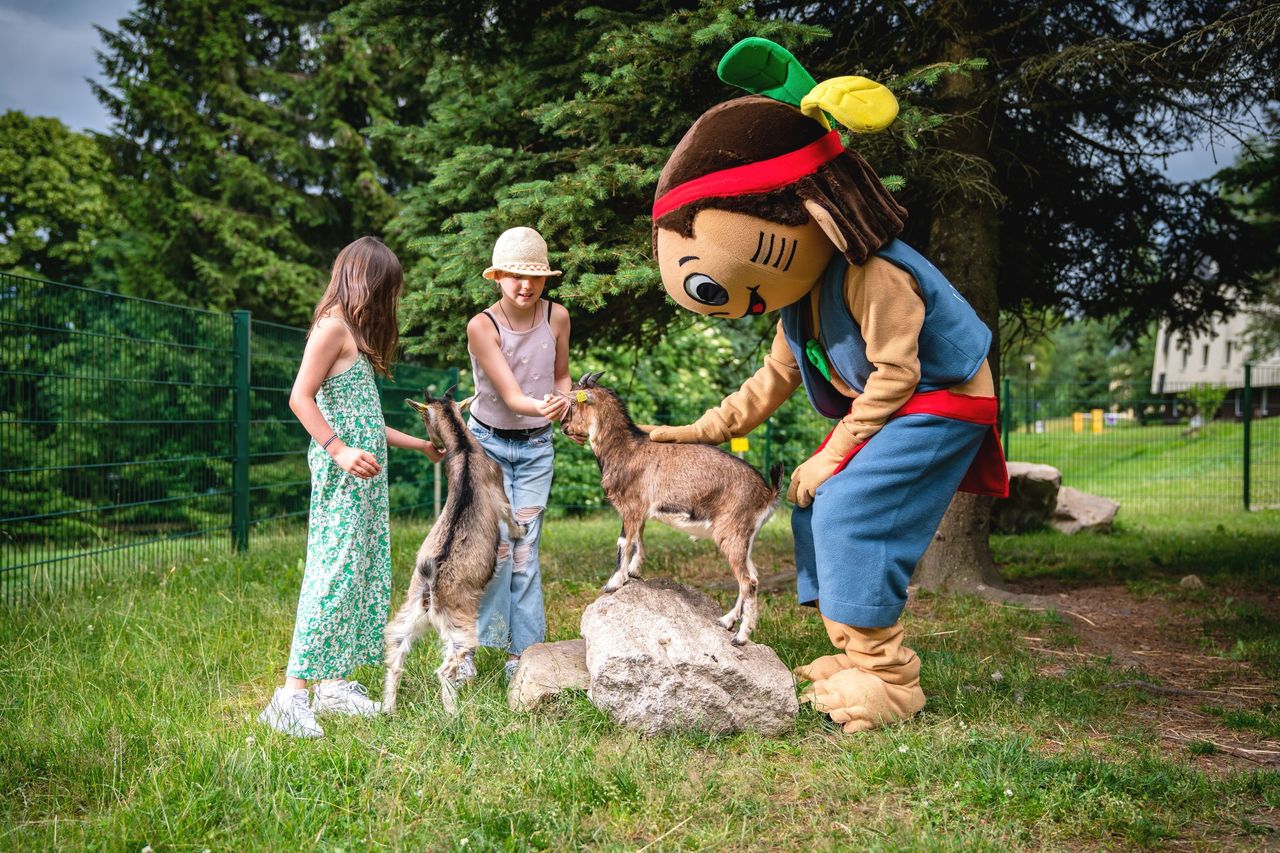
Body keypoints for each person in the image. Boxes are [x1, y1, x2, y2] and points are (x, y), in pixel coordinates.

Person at [647, 39, 1008, 733]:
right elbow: (770, 381)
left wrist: (832, 455)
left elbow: (898, 375)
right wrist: (687, 433)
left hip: (943, 400)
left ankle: (890, 678)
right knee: (810, 507)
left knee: (844, 506)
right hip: (896, 403)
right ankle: (852, 650)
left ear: (813, 210)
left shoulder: (875, 275)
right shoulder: (799, 295)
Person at [260, 236, 443, 738]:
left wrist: (420, 446)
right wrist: (338, 450)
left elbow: (367, 421)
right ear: (366, 283)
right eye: (387, 291)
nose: (390, 302)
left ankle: (334, 685)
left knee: (360, 573)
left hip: (364, 481)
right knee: (333, 573)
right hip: (342, 477)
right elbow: (300, 398)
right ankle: (290, 697)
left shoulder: (352, 336)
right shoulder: (331, 328)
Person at [465, 227, 572, 682]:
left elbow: (561, 376)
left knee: (524, 549)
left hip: (535, 449)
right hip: (487, 448)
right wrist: (546, 405)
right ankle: (466, 649)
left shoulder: (557, 316)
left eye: (535, 277)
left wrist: (563, 404)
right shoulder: (481, 326)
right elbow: (511, 396)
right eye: (515, 276)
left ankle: (522, 656)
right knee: (491, 549)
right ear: (497, 277)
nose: (526, 285)